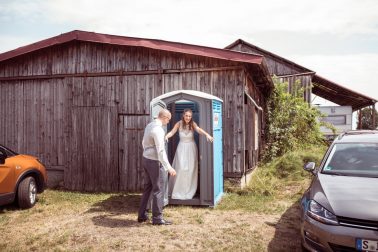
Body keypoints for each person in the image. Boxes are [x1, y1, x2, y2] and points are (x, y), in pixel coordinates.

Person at [138, 109, 176, 225]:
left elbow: (143, 143)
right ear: (164, 117)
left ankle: (142, 215)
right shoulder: (158, 130)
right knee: (158, 190)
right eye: (168, 119)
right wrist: (169, 167)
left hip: (146, 159)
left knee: (148, 188)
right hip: (155, 162)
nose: (168, 122)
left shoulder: (149, 125)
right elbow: (161, 151)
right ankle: (157, 218)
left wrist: (147, 153)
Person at [165, 109, 213, 200]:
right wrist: (166, 136)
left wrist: (207, 134)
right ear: (183, 115)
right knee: (181, 169)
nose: (188, 117)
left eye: (190, 116)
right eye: (186, 115)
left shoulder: (193, 124)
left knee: (190, 169)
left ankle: (189, 191)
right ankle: (179, 191)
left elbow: (198, 129)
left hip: (191, 148)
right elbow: (172, 132)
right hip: (181, 148)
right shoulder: (178, 124)